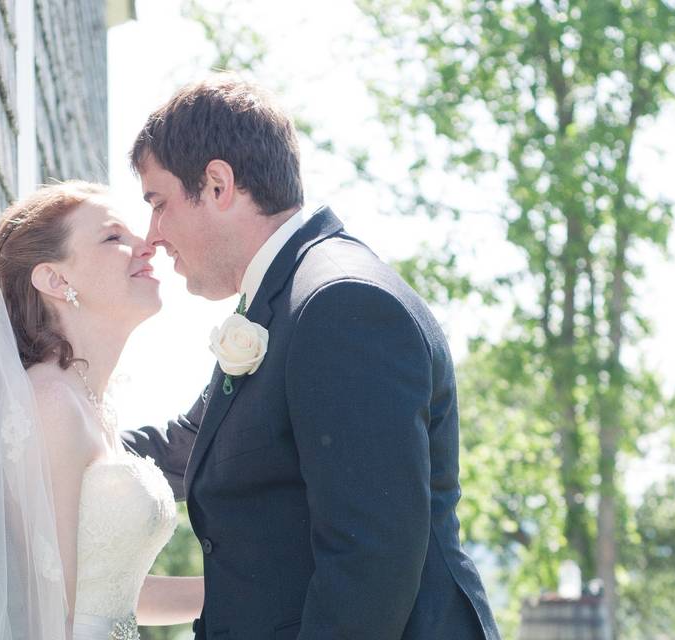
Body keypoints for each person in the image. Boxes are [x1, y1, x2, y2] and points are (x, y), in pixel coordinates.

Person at [122, 75, 502, 639]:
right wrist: (64, 435)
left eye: (159, 203)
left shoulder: (340, 304)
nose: (152, 235)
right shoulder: (285, 301)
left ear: (218, 185)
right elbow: (188, 449)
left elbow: (370, 564)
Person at [0, 181, 203, 640]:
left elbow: (107, 596)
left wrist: (263, 586)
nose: (148, 245)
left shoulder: (90, 402)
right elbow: (53, 611)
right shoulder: (51, 404)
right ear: (56, 279)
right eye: (114, 238)